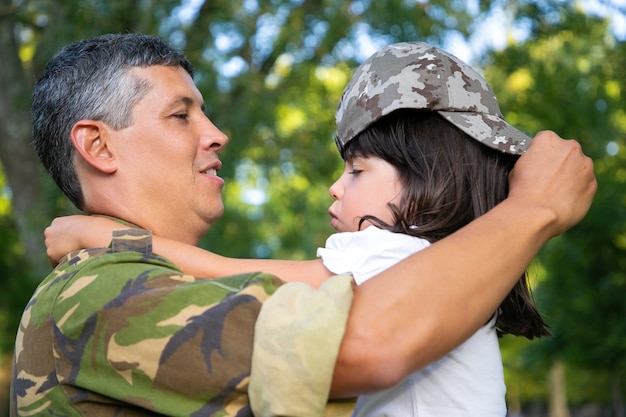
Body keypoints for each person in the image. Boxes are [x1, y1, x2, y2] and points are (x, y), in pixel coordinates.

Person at [10, 33, 596, 417]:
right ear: (98, 147)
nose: (216, 133)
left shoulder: (147, 278)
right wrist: (531, 209)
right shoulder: (100, 291)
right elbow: (367, 343)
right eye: (180, 114)